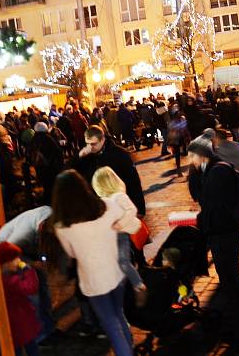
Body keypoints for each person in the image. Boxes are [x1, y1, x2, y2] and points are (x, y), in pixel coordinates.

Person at [52, 170, 140, 356]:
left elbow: (72, 253)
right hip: (117, 272)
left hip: (93, 281)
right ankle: (129, 347)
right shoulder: (107, 206)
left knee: (110, 324)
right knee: (118, 315)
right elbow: (127, 217)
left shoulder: (61, 227)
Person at [187, 134, 239, 350]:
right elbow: (199, 195)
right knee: (232, 280)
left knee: (231, 282)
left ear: (201, 154)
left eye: (192, 156)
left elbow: (216, 209)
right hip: (223, 233)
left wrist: (200, 221)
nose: (190, 160)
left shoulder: (217, 173)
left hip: (224, 235)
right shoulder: (210, 170)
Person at [0, 206, 56, 344]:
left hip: (29, 251)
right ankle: (38, 335)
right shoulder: (23, 235)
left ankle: (48, 328)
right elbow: (9, 252)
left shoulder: (51, 216)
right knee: (32, 293)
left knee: (44, 289)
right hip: (10, 257)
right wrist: (32, 264)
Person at [91, 167, 148, 308]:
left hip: (122, 233)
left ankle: (139, 286)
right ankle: (125, 289)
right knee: (117, 262)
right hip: (113, 235)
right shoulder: (106, 199)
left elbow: (132, 210)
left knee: (123, 261)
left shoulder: (119, 196)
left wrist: (118, 225)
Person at [73, 125, 146, 216]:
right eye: (87, 143)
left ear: (102, 140)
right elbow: (68, 172)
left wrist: (140, 210)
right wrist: (78, 157)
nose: (90, 147)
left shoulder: (120, 154)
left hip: (119, 207)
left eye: (93, 144)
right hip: (98, 209)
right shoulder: (85, 156)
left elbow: (133, 182)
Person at [0, 241, 41, 356]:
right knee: (30, 345)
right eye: (15, 258)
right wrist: (28, 270)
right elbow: (31, 288)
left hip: (10, 322)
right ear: (6, 263)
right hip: (20, 319)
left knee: (16, 346)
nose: (19, 261)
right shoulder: (9, 281)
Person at [28, 122, 63, 204]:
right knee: (51, 184)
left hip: (39, 166)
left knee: (44, 183)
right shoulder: (48, 138)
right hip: (50, 166)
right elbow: (57, 152)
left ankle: (46, 199)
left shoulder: (33, 139)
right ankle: (51, 200)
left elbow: (29, 153)